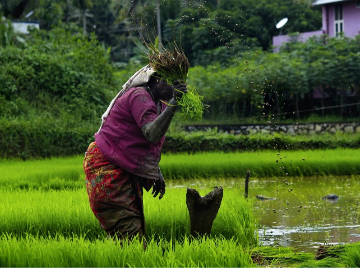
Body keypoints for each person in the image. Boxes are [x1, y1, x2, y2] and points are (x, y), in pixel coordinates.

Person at [83, 65, 187, 244]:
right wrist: (175, 102)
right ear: (158, 79)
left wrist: (155, 171)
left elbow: (142, 144)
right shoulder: (139, 96)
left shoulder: (158, 103)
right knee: (129, 233)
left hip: (121, 166)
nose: (177, 87)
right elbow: (151, 133)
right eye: (174, 83)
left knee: (129, 232)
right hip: (107, 167)